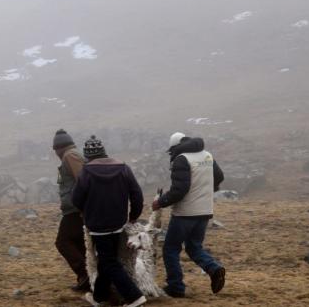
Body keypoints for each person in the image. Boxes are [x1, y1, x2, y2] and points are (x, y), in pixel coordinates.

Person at [72, 135, 147, 307]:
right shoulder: (123, 168)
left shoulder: (86, 172)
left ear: (87, 156)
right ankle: (99, 297)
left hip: (97, 225)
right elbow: (137, 194)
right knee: (107, 260)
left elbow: (76, 199)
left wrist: (84, 211)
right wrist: (133, 216)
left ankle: (135, 297)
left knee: (109, 262)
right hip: (118, 223)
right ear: (104, 152)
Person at [152, 132, 226, 298]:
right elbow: (219, 176)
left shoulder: (182, 159)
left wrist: (161, 202)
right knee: (194, 247)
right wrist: (206, 191)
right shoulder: (207, 155)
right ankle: (214, 269)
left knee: (170, 249)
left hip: (185, 213)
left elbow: (179, 190)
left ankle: (176, 287)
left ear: (175, 146)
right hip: (205, 211)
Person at [52, 129, 90, 292]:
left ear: (59, 148)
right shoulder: (73, 154)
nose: (55, 154)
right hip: (76, 208)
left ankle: (85, 274)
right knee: (79, 243)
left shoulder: (70, 156)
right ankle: (87, 278)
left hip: (75, 209)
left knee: (63, 242)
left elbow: (83, 181)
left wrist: (82, 206)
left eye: (55, 150)